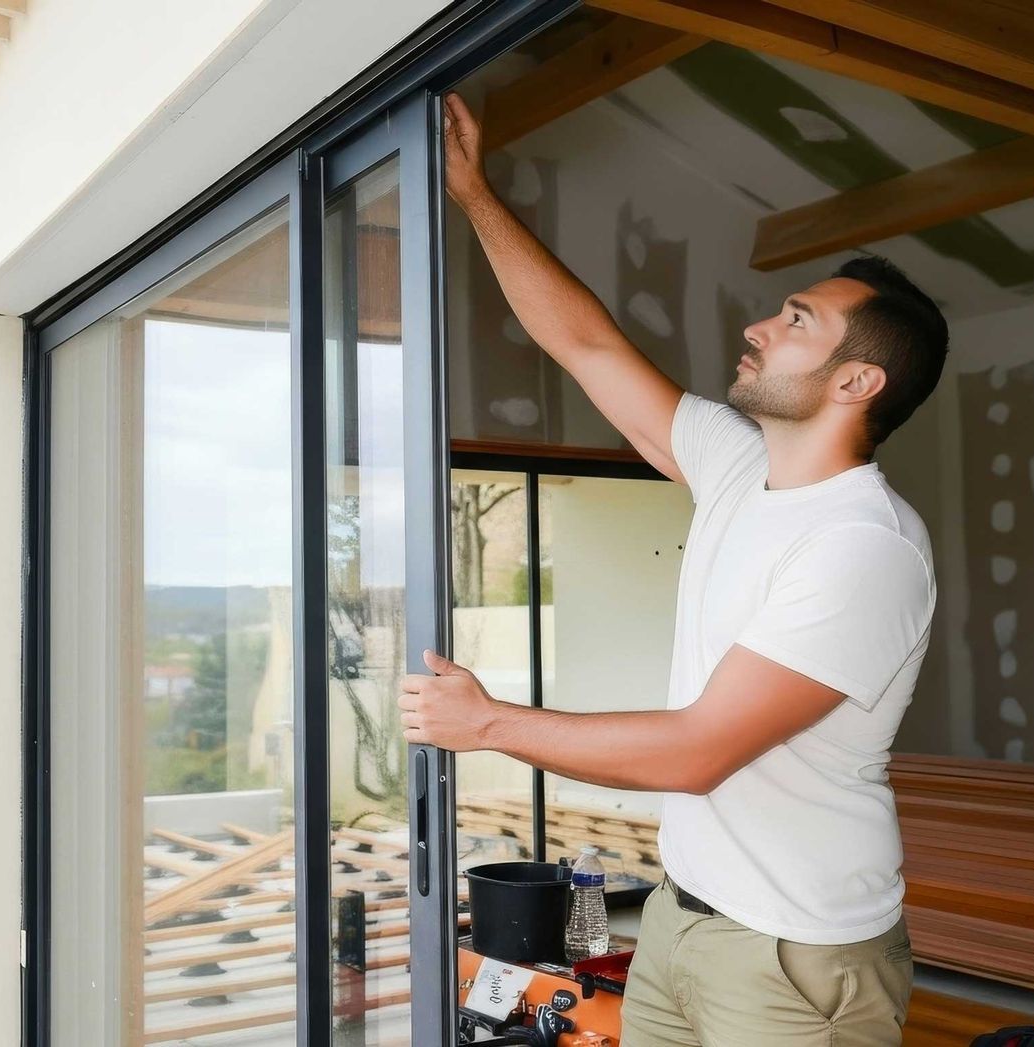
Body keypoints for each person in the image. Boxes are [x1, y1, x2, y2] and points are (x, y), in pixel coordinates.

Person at [400, 94, 948, 1046]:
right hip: (680, 917)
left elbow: (700, 749)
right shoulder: (739, 466)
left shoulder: (866, 545)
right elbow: (585, 342)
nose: (762, 328)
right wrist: (470, 190)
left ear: (858, 382)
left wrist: (487, 723)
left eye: (797, 320)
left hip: (792, 953)